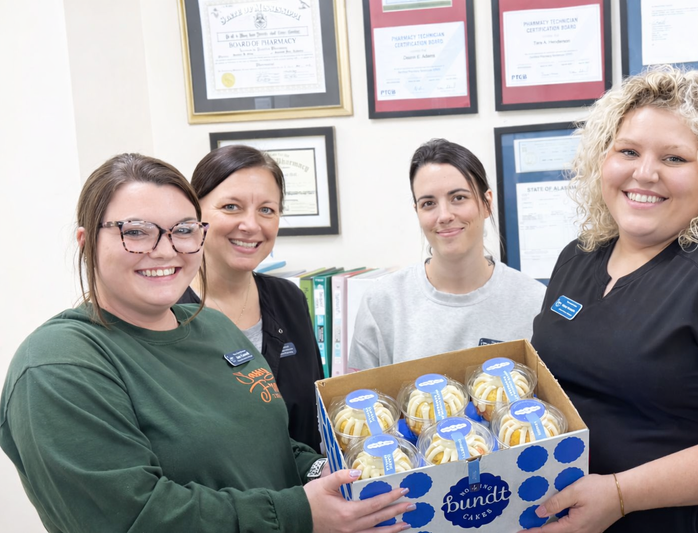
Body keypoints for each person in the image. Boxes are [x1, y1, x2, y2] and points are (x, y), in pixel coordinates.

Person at [0, 153, 413, 533]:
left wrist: (330, 470)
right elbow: (134, 517)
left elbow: (269, 446)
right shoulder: (58, 365)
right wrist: (298, 513)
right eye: (137, 232)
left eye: (182, 230)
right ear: (87, 242)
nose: (165, 251)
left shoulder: (211, 327)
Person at [529, 67, 698, 533]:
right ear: (602, 159)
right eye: (628, 151)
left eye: (675, 159)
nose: (644, 173)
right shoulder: (579, 256)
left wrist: (619, 495)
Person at [349, 139, 546, 369]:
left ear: (486, 203)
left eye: (458, 198)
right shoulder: (382, 304)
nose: (444, 215)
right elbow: (356, 398)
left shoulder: (535, 302)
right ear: (417, 212)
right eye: (428, 203)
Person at [178, 145, 323, 452]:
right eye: (231, 207)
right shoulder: (165, 310)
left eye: (266, 210)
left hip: (311, 495)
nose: (251, 225)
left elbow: (316, 419)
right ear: (194, 212)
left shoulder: (290, 300)